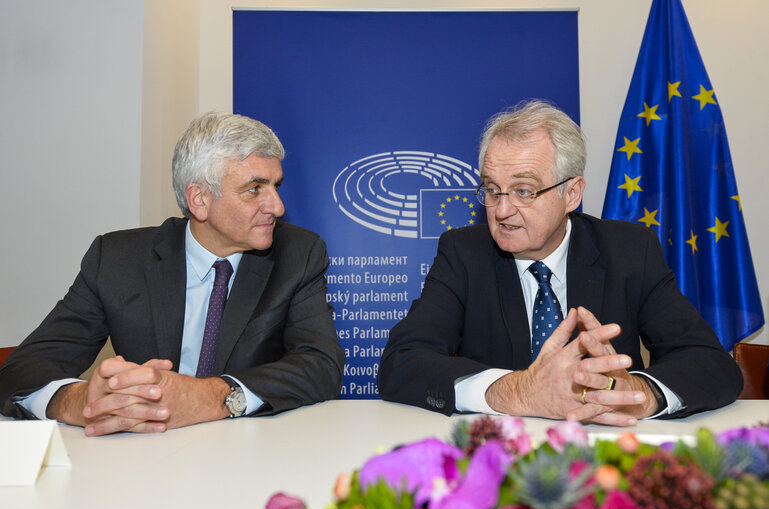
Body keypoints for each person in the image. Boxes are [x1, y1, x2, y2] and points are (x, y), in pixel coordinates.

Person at [378, 100, 742, 426]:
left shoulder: (630, 250)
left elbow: (710, 363)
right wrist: (518, 391)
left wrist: (640, 395)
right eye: (492, 190)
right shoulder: (463, 253)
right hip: (499, 457)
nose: (502, 210)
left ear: (572, 193)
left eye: (524, 190)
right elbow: (402, 363)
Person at [0, 111, 344, 436]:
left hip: (251, 455)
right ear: (199, 200)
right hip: (142, 459)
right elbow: (23, 369)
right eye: (255, 189)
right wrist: (80, 403)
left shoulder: (297, 254)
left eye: (276, 185)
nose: (277, 206)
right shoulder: (118, 260)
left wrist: (210, 396)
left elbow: (320, 366)